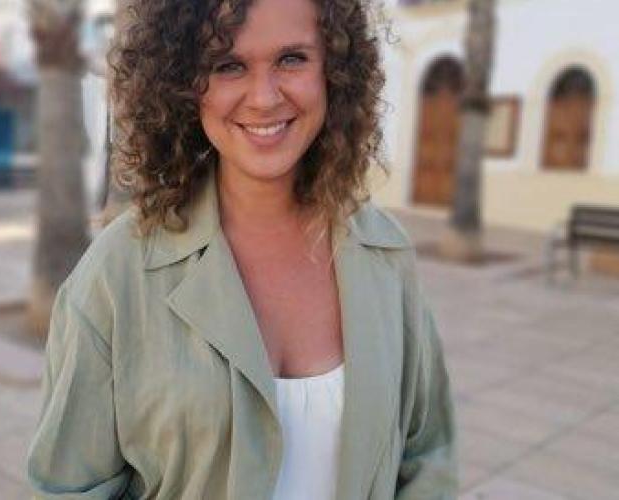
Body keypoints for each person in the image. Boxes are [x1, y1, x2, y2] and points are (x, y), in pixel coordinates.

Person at [27, 0, 457, 498]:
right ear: (183, 83)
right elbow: (67, 487)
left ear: (335, 69)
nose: (264, 97)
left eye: (292, 58)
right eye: (228, 65)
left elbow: (428, 456)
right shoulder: (116, 273)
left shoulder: (386, 253)